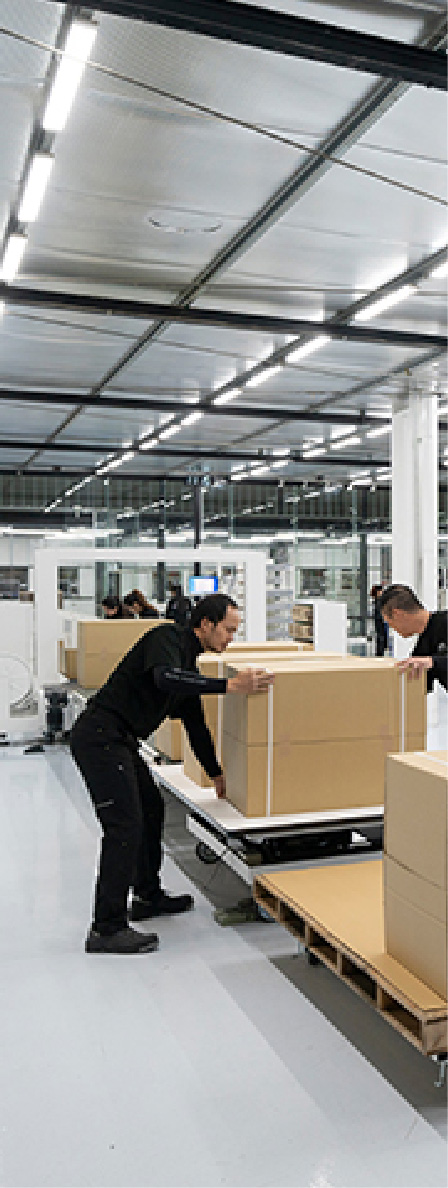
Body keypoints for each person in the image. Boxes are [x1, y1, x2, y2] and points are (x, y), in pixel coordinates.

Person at [70, 593, 274, 955]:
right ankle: (106, 927)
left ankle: (147, 896)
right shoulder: (166, 638)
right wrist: (229, 686)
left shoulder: (189, 669)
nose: (231, 638)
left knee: (151, 810)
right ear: (206, 624)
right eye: (228, 630)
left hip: (121, 741)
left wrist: (216, 774)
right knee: (124, 827)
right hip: (100, 737)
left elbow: (196, 726)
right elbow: (165, 678)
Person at [379, 584, 447, 691]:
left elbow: (435, 662)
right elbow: (416, 689)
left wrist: (434, 662)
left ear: (397, 614)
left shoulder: (445, 621)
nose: (393, 629)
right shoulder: (422, 650)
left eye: (390, 623)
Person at [371, 583, 388, 657]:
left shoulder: (378, 600)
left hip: (381, 620)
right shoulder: (378, 601)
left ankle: (381, 651)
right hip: (380, 620)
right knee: (381, 636)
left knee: (381, 636)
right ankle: (380, 652)